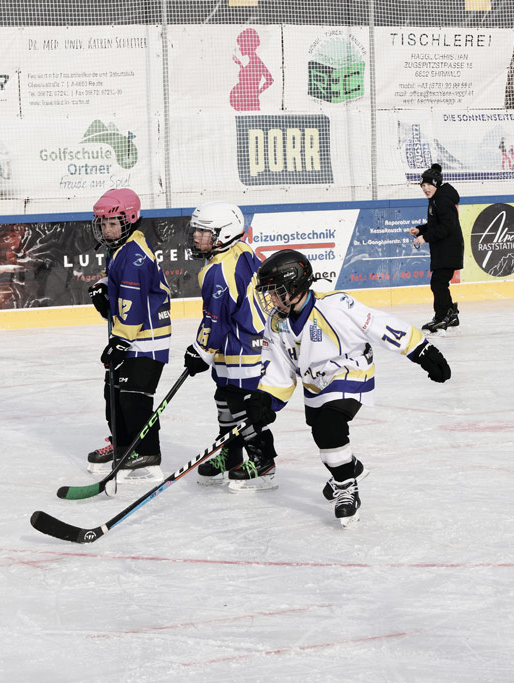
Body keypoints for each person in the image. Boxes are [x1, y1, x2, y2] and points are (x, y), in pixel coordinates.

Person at [244, 249, 451, 527]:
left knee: (329, 427)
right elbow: (279, 366)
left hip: (350, 370)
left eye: (275, 291)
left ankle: (346, 488)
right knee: (321, 432)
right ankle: (351, 467)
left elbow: (379, 325)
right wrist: (266, 399)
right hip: (315, 383)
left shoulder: (335, 306)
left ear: (295, 285)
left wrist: (421, 350)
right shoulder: (276, 323)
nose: (271, 298)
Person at [180, 202, 271, 490]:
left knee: (241, 405)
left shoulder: (218, 270)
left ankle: (264, 463)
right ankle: (230, 456)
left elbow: (215, 318)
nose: (197, 237)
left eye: (204, 232)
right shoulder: (241, 250)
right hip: (235, 342)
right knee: (224, 400)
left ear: (225, 234)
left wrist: (200, 350)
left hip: (242, 344)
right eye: (197, 231)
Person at [85, 189, 171, 480]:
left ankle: (146, 451)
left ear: (130, 219)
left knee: (135, 397)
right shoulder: (121, 247)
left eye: (113, 223)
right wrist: (103, 285)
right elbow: (119, 282)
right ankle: (123, 444)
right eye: (103, 223)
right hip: (131, 335)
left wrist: (120, 342)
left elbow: (133, 303)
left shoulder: (134, 255)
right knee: (113, 394)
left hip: (145, 339)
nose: (107, 229)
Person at [409, 163, 464, 333]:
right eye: (423, 185)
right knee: (439, 283)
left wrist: (425, 237)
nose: (425, 188)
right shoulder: (436, 199)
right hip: (443, 249)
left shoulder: (442, 200)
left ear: (437, 184)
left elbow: (447, 226)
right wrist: (420, 230)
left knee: (438, 283)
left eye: (429, 185)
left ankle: (442, 317)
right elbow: (436, 225)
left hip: (449, 249)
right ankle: (450, 315)